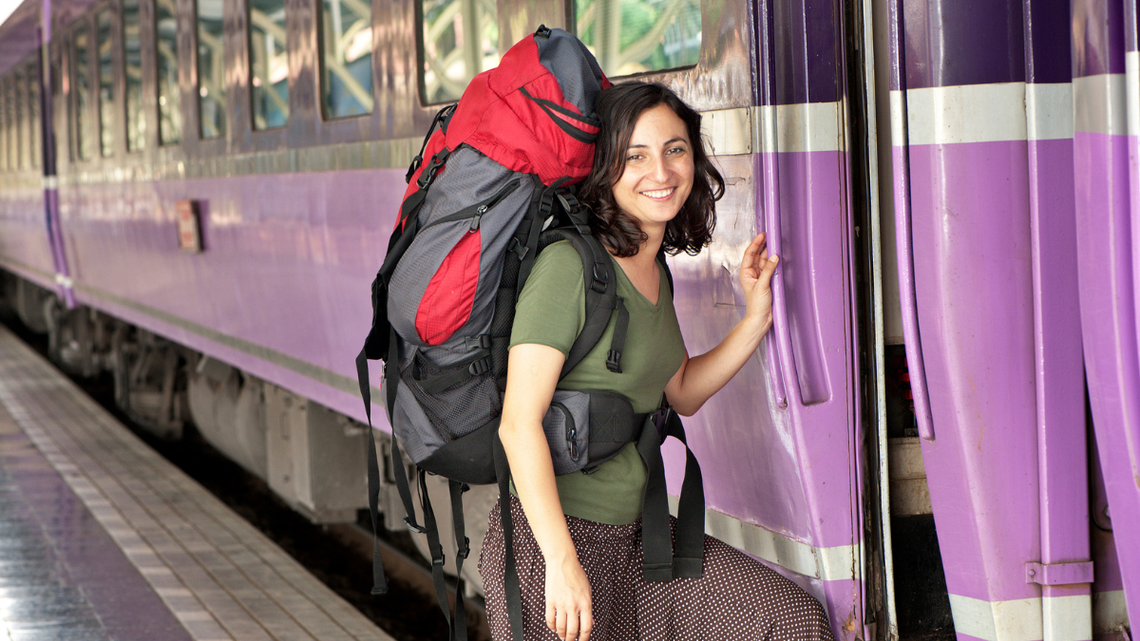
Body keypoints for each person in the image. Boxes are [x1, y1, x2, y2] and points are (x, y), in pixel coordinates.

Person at [478, 82, 834, 641]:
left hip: (638, 539)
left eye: (675, 149)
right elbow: (518, 424)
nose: (661, 172)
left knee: (787, 620)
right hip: (552, 542)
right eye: (635, 156)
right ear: (607, 169)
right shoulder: (569, 267)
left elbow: (682, 392)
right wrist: (561, 564)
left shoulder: (651, 267)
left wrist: (755, 319)